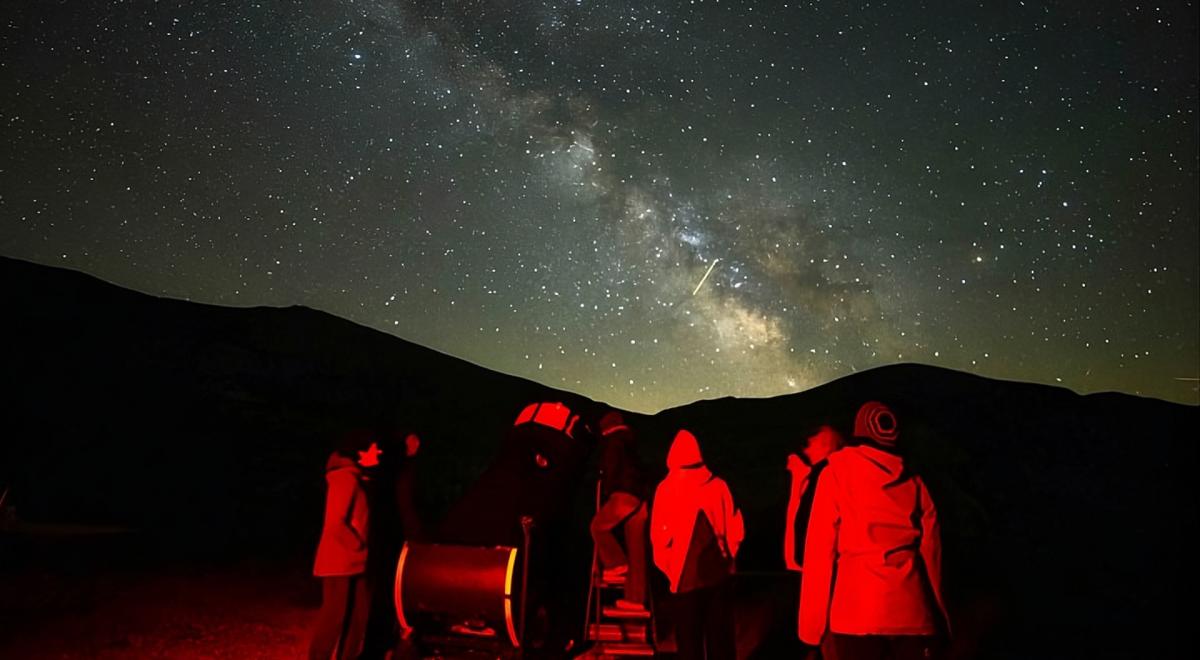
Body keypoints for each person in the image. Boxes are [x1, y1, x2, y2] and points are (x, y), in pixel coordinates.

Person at [799, 402, 950, 660]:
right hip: (913, 614)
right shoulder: (915, 481)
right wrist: (943, 618)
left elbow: (819, 553)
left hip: (856, 616)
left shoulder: (835, 473)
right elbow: (933, 554)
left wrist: (811, 632)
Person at [650, 429, 744, 660]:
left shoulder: (667, 488)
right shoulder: (718, 485)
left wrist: (670, 569)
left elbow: (659, 536)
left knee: (688, 640)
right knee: (720, 638)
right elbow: (736, 526)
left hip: (684, 578)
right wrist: (729, 558)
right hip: (717, 573)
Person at [310, 430, 378, 660]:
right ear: (359, 452)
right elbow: (335, 522)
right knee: (334, 618)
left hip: (351, 561)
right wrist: (358, 544)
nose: (377, 451)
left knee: (355, 616)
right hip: (339, 560)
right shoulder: (344, 479)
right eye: (372, 447)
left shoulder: (356, 478)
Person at [361, 430, 424, 659]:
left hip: (387, 539)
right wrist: (415, 537)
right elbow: (405, 505)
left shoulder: (389, 472)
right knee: (386, 597)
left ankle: (380, 645)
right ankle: (378, 648)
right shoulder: (400, 472)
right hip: (392, 542)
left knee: (384, 597)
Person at [783, 425, 844, 659]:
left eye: (814, 441)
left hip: (827, 571)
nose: (807, 446)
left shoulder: (827, 476)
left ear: (826, 445)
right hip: (815, 567)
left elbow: (814, 528)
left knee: (830, 638)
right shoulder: (818, 475)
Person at [589, 410, 649, 610]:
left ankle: (616, 564)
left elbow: (610, 469)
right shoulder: (630, 443)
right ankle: (635, 599)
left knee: (598, 526)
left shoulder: (613, 442)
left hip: (624, 494)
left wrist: (606, 488)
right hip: (640, 499)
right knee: (636, 551)